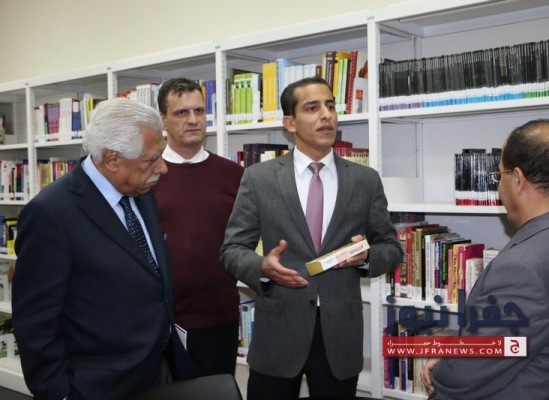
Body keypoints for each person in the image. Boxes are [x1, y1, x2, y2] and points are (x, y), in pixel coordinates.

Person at [220, 76, 402, 400]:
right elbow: (232, 249)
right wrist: (262, 267)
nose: (326, 115)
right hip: (278, 331)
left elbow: (391, 248)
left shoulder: (365, 180)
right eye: (312, 108)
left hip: (339, 333)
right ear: (290, 123)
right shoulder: (259, 178)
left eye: (330, 106)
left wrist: (367, 257)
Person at [12, 98, 197, 400]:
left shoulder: (139, 189)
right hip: (97, 386)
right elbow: (36, 324)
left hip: (158, 370)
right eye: (152, 158)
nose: (162, 168)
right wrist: (61, 394)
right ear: (112, 159)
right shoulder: (51, 214)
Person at [421, 119, 549, 399]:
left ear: (517, 179)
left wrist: (444, 368)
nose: (499, 186)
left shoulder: (523, 268)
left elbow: (463, 376)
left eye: (500, 174)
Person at [154, 77, 244, 376]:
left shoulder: (234, 175)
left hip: (219, 317)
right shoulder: (147, 175)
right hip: (161, 318)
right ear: (163, 120)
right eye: (181, 113)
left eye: (199, 111)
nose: (193, 120)